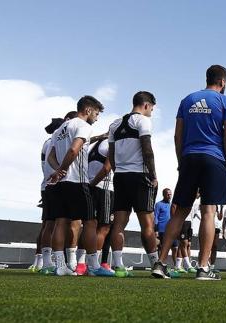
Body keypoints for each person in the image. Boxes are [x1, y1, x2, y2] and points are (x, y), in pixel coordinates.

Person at [152, 65, 226, 280]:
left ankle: (160, 263)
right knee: (208, 211)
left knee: (179, 212)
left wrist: (181, 161)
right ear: (223, 82)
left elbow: (177, 136)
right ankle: (203, 268)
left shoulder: (187, 100)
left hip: (189, 157)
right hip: (214, 158)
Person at [48, 96, 112, 276]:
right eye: (97, 113)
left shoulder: (60, 128)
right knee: (90, 222)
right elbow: (74, 150)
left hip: (60, 183)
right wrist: (63, 169)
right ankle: (93, 266)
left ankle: (61, 266)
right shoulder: (83, 126)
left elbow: (51, 156)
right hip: (77, 181)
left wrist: (58, 171)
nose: (97, 118)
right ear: (88, 110)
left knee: (61, 222)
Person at [109, 91, 160, 278]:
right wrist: (153, 175)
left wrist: (118, 171)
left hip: (121, 177)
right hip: (140, 176)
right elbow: (147, 150)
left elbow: (111, 155)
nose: (152, 112)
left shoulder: (114, 124)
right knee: (147, 223)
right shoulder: (143, 121)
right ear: (146, 105)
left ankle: (118, 266)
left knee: (119, 224)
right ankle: (156, 264)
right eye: (152, 109)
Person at [35, 114, 74, 274]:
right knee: (55, 223)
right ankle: (49, 263)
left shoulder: (49, 141)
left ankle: (45, 262)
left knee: (49, 223)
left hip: (47, 184)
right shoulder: (56, 140)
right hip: (56, 183)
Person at [80, 134, 115, 275]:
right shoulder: (111, 144)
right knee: (104, 227)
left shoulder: (93, 147)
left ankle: (81, 264)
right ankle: (94, 266)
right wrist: (93, 184)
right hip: (104, 188)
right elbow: (107, 168)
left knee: (89, 226)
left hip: (90, 187)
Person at [176, 192, 201, 273]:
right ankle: (188, 265)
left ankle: (178, 266)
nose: (199, 195)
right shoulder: (186, 198)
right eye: (198, 193)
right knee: (184, 243)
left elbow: (196, 214)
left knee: (186, 244)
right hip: (183, 222)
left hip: (190, 224)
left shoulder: (196, 203)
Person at [155, 188, 178, 266]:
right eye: (168, 194)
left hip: (171, 230)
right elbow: (156, 217)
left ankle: (176, 265)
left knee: (175, 248)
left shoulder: (173, 205)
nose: (169, 196)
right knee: (162, 248)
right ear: (163, 195)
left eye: (170, 194)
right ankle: (161, 264)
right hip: (162, 230)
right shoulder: (158, 204)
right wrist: (156, 230)